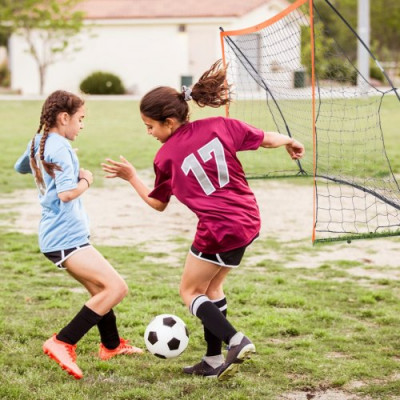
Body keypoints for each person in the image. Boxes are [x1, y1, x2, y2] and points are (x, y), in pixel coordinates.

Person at [102, 60, 305, 380]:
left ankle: (236, 340)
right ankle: (212, 360)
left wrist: (130, 177)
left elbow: (157, 203)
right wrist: (290, 142)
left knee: (189, 290)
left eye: (150, 126)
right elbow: (266, 138)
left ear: (169, 121)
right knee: (212, 287)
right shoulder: (220, 125)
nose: (149, 133)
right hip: (248, 221)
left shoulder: (165, 156)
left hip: (218, 230)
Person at [14, 90, 143, 380]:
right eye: (80, 119)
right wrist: (85, 179)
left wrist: (38, 161)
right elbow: (66, 193)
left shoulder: (39, 141)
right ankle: (62, 342)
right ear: (64, 118)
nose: (82, 125)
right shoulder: (61, 149)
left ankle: (111, 346)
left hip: (55, 237)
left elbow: (20, 167)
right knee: (116, 288)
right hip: (65, 238)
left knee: (101, 291)